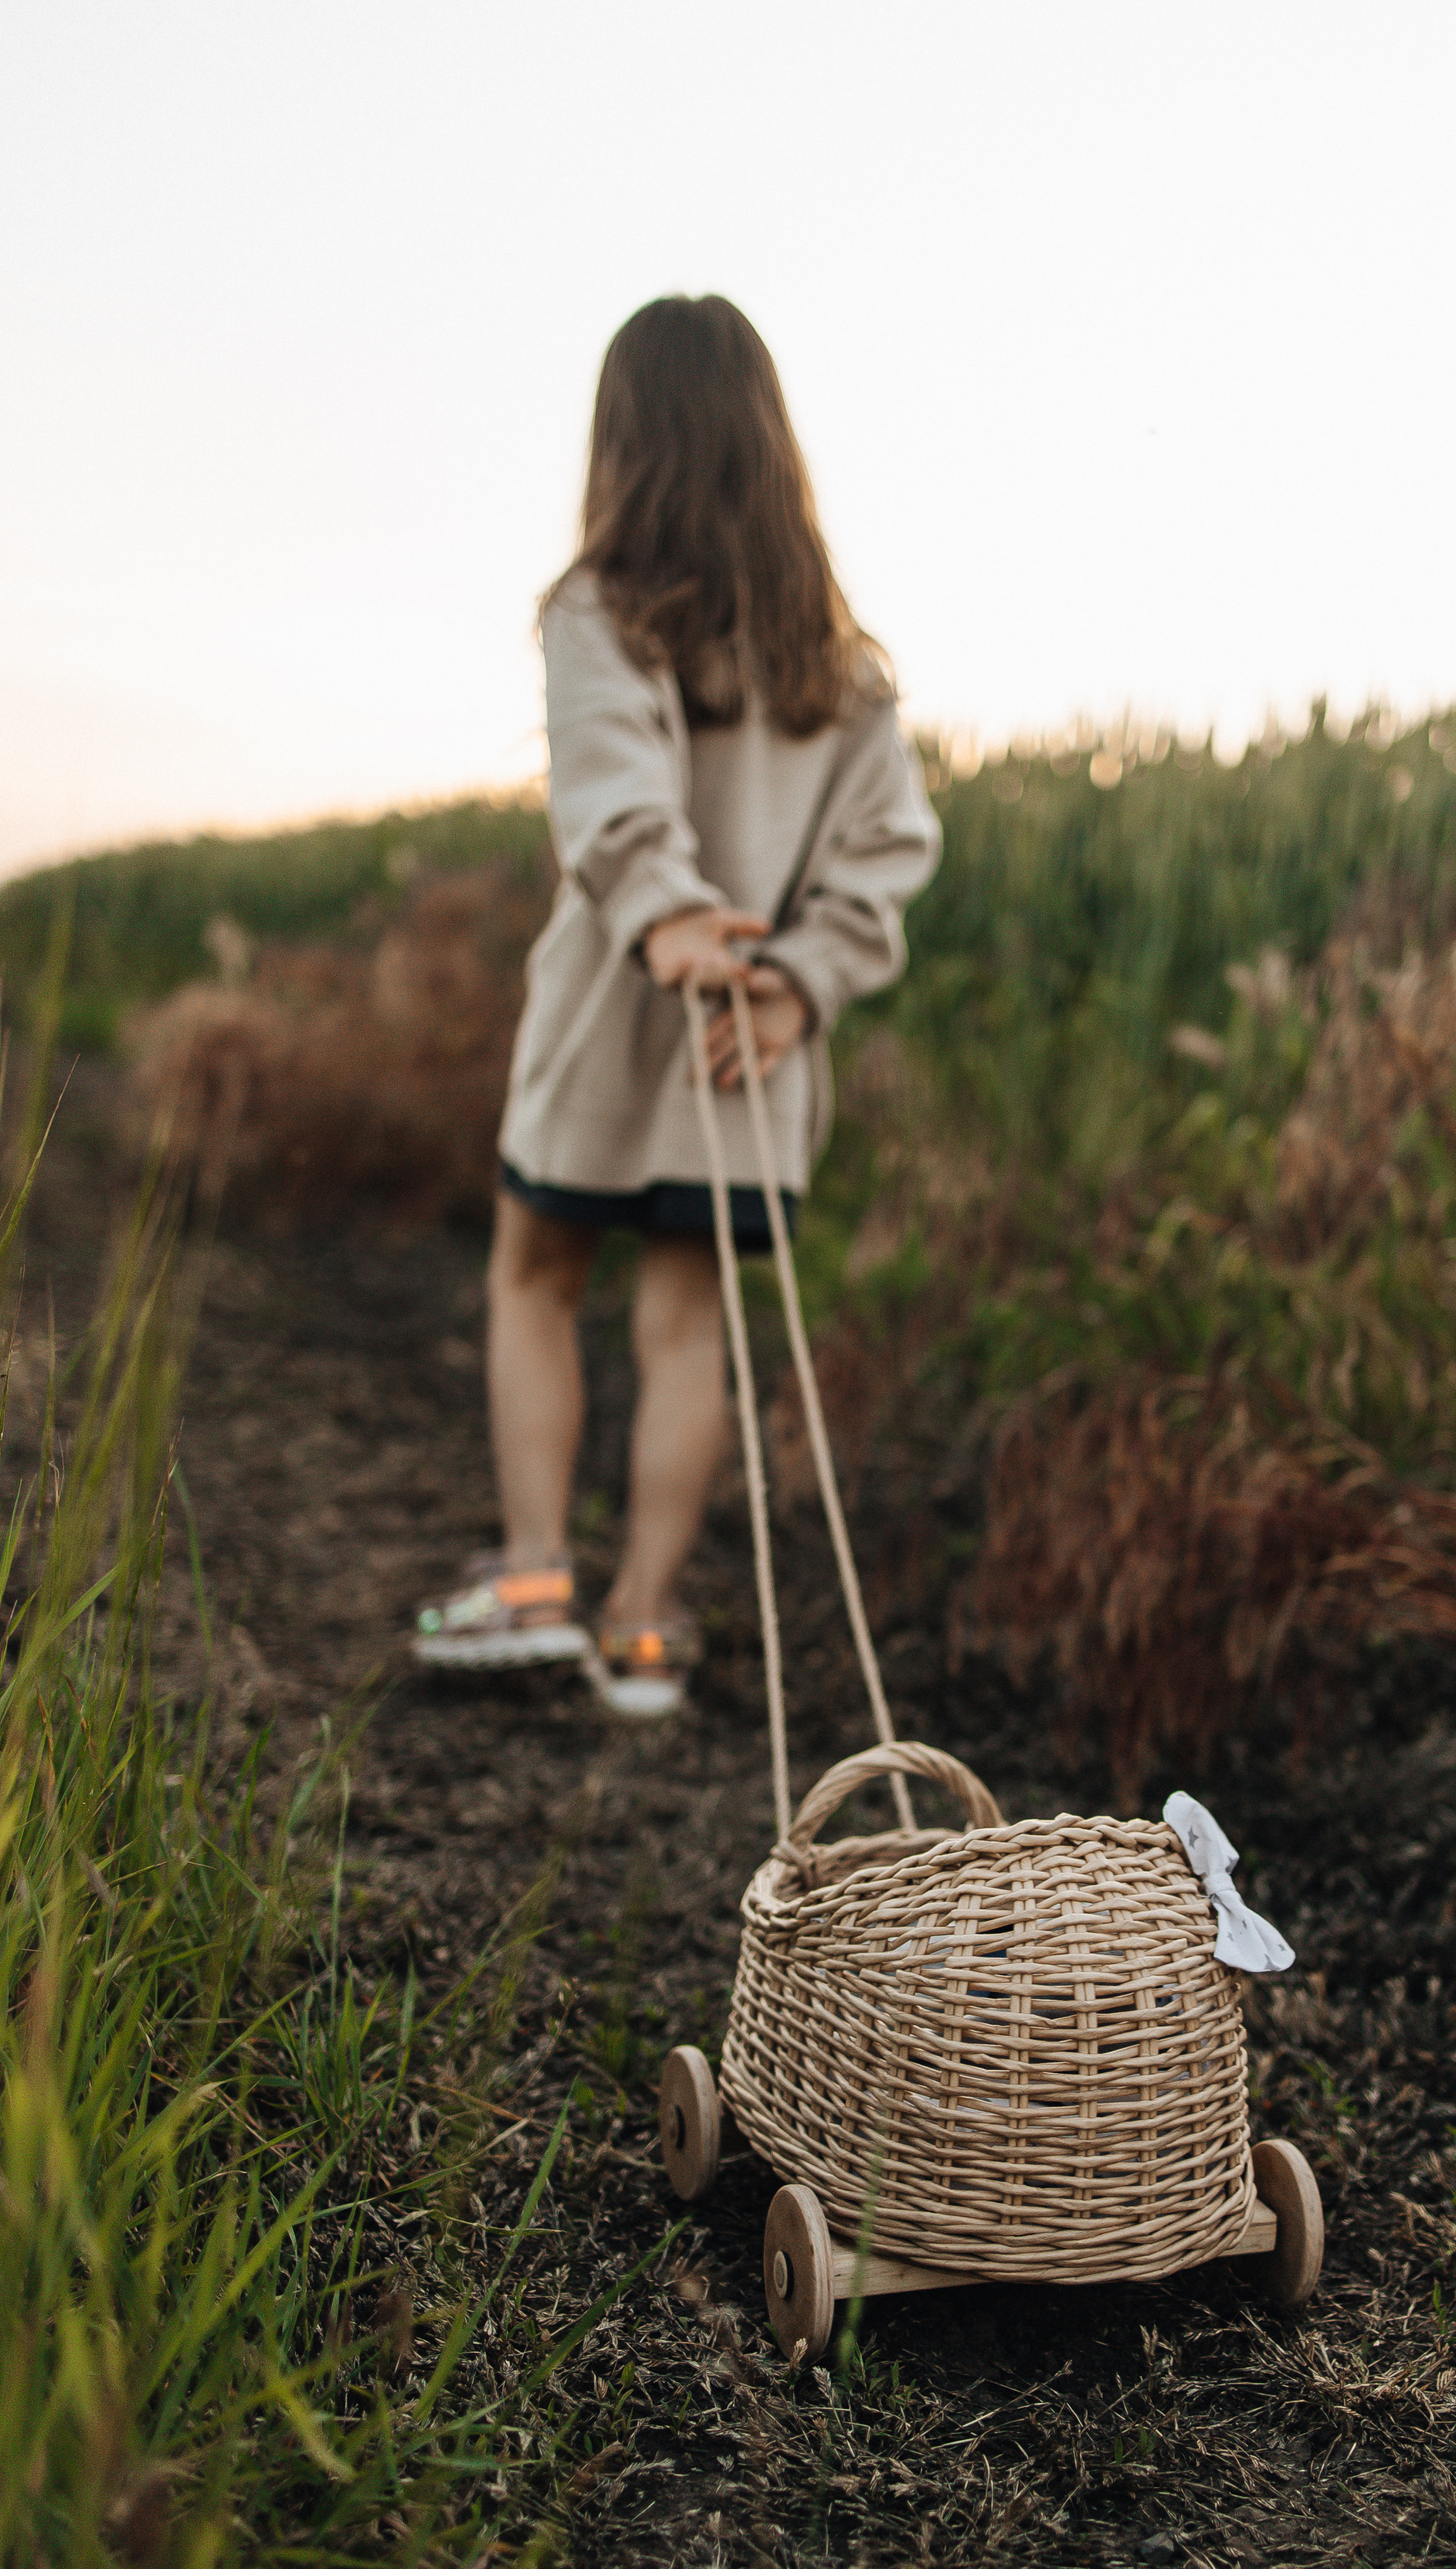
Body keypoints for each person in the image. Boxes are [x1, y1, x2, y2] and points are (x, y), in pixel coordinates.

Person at [412, 294, 941, 1716]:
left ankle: (537, 1582)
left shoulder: (600, 611)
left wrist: (671, 920)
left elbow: (612, 792)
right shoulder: (844, 667)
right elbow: (889, 851)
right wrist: (796, 986)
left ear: (622, 437)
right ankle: (643, 1628)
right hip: (746, 1046)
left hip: (616, 1017)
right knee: (686, 1323)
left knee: (535, 1276)